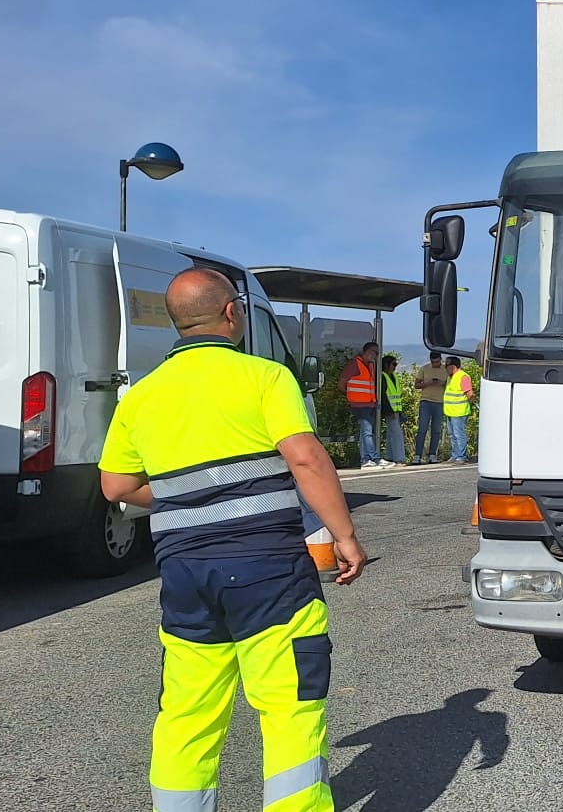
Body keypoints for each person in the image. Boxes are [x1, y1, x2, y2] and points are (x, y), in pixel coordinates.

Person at [98, 267, 368, 812]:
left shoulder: (141, 397)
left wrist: (181, 499)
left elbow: (117, 487)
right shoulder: (263, 376)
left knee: (188, 715)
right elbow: (304, 457)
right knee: (289, 707)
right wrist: (344, 535)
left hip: (185, 574)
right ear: (230, 312)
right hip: (269, 569)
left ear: (177, 323)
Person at [337, 342, 387, 469]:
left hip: (369, 404)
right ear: (366, 351)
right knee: (367, 432)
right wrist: (351, 396)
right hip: (359, 405)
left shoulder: (370, 365)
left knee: (365, 433)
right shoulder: (354, 364)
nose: (375, 355)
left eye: (377, 353)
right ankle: (373, 458)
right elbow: (341, 383)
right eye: (374, 352)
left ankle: (366, 459)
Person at [411, 356, 447, 464]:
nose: (435, 364)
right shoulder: (424, 368)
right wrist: (427, 383)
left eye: (437, 362)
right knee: (422, 429)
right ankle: (417, 455)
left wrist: (442, 383)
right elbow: (416, 385)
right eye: (433, 362)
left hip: (439, 402)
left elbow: (450, 384)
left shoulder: (445, 369)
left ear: (440, 359)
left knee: (436, 430)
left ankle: (432, 455)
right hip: (425, 401)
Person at [443, 356, 475, 464]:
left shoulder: (462, 376)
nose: (445, 368)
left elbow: (470, 394)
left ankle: (461, 456)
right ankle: (455, 455)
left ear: (453, 366)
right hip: (450, 411)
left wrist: (470, 403)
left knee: (459, 434)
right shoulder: (450, 377)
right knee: (452, 435)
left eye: (447, 366)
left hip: (459, 412)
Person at [379, 355, 406, 464]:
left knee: (391, 433)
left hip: (396, 409)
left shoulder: (393, 377)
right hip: (389, 410)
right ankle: (399, 458)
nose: (395, 367)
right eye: (393, 364)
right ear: (386, 365)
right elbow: (383, 396)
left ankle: (390, 457)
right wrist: (389, 410)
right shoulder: (383, 377)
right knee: (396, 434)